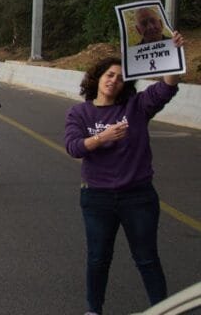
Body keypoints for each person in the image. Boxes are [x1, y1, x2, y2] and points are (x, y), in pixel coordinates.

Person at [64, 32, 185, 315]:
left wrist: (173, 54)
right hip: (97, 199)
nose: (113, 80)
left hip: (138, 197)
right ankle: (94, 309)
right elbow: (73, 147)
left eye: (119, 77)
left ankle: (162, 309)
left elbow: (166, 88)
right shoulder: (79, 113)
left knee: (147, 258)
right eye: (109, 74)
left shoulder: (137, 107)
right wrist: (101, 138)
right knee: (97, 259)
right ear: (97, 78)